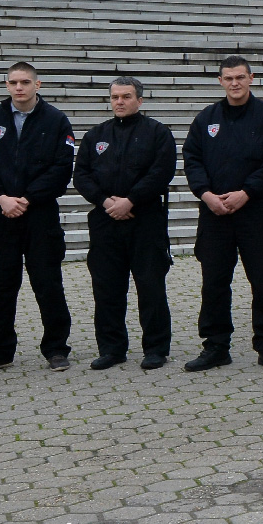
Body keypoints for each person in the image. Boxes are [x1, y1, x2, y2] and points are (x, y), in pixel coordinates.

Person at [181, 55, 263, 372]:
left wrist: (247, 192)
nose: (234, 83)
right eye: (228, 78)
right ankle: (215, 347)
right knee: (214, 282)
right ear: (220, 81)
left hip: (255, 213)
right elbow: (192, 159)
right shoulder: (206, 119)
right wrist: (205, 194)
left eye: (240, 77)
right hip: (215, 214)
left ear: (251, 78)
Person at [0, 61, 75, 372]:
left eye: (25, 82)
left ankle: (56, 348)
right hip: (1, 214)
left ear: (37, 85)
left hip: (40, 215)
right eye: (13, 82)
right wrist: (1, 198)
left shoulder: (56, 120)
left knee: (48, 282)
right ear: (6, 85)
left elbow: (61, 168)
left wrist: (27, 198)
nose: (19, 87)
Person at [72, 76, 176, 371]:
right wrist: (108, 203)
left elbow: (161, 172)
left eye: (126, 97)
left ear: (139, 101)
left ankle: (155, 348)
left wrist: (130, 201)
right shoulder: (96, 136)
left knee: (151, 285)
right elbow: (81, 175)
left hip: (145, 220)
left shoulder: (157, 133)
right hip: (105, 221)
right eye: (115, 97)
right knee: (106, 287)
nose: (120, 102)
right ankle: (112, 348)